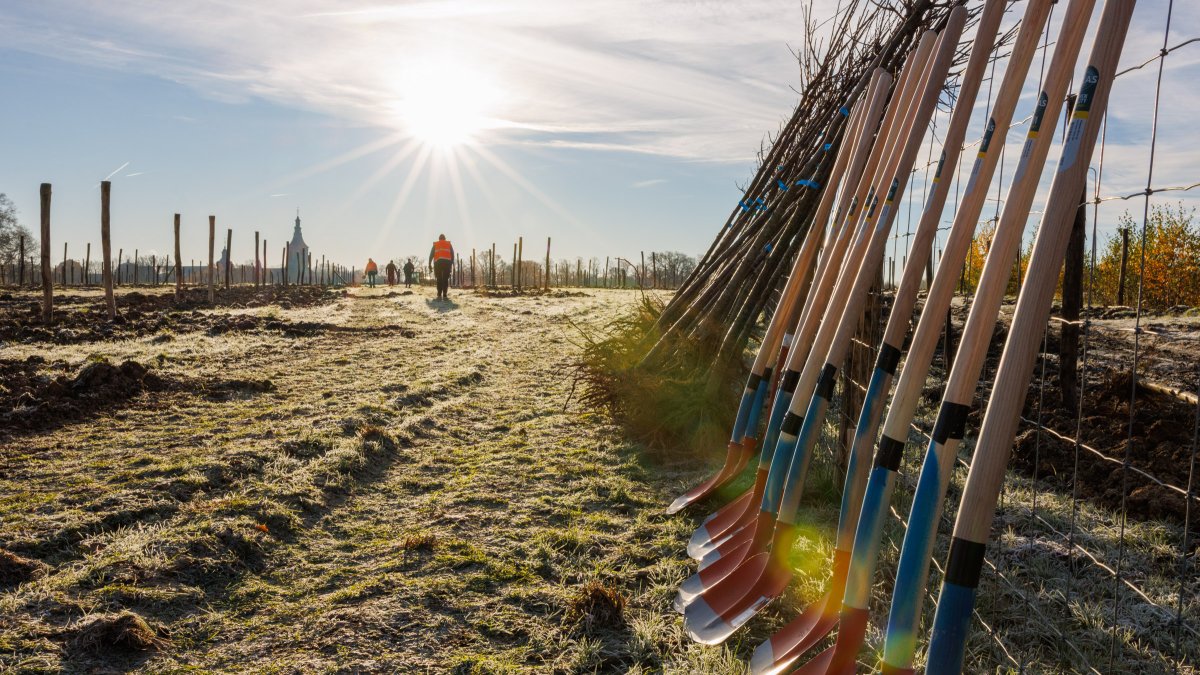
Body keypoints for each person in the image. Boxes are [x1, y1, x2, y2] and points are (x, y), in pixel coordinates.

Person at [428, 234, 455, 300]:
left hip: (438, 263)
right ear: (445, 238)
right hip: (447, 263)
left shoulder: (436, 244)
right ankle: (445, 293)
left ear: (439, 238)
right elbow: (452, 254)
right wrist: (451, 263)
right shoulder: (448, 244)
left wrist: (429, 264)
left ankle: (439, 293)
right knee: (445, 278)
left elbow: (431, 255)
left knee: (439, 278)